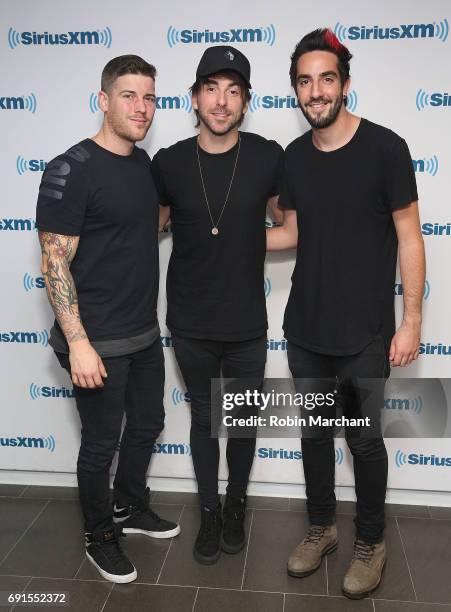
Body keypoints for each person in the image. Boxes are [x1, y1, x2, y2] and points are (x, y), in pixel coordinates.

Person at [267, 29, 425, 599]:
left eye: (326, 78)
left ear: (345, 84)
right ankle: (320, 529)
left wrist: (411, 321)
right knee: (313, 435)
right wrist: (225, 238)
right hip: (305, 329)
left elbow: (410, 237)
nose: (316, 91)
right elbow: (290, 232)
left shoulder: (387, 149)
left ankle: (372, 541)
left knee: (362, 440)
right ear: (296, 91)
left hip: (364, 334)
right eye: (305, 81)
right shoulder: (292, 159)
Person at [36, 55, 180, 584]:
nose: (141, 108)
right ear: (103, 100)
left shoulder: (142, 165)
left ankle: (129, 505)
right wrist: (78, 343)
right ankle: (100, 535)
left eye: (149, 97)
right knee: (101, 444)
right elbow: (54, 264)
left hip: (142, 332)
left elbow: (139, 228)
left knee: (148, 424)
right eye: (128, 96)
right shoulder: (71, 168)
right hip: (94, 339)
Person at [151, 46, 283, 565]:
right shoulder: (169, 162)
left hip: (247, 320)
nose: (221, 101)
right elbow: (152, 227)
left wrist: (243, 239)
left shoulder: (268, 155)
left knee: (243, 419)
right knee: (206, 419)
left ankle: (237, 506)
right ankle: (208, 510)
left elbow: (289, 225)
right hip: (189, 320)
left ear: (245, 102)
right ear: (195, 98)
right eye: (211, 89)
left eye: (233, 91)